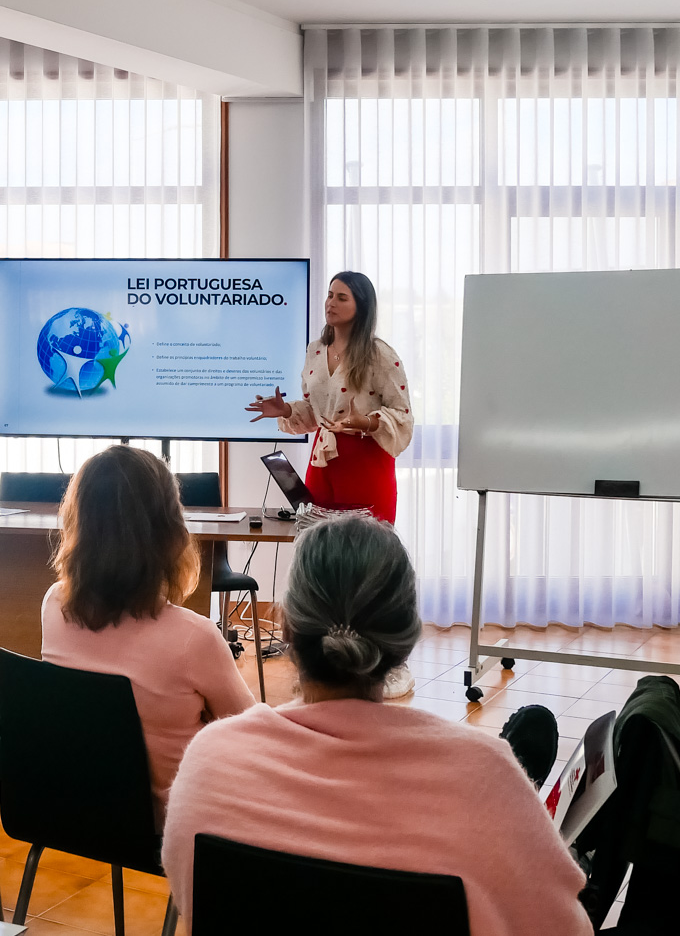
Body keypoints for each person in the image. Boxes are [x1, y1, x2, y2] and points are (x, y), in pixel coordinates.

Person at [162, 515, 588, 936]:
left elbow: (189, 901)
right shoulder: (489, 776)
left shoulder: (209, 763)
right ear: (407, 636)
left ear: (287, 625)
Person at [39, 445, 255, 820]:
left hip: (72, 805)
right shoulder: (194, 638)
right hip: (169, 822)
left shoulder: (54, 605)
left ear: (78, 524)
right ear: (169, 532)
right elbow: (252, 735)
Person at [246, 271, 412, 521]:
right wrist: (286, 410)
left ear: (361, 306)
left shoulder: (380, 354)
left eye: (342, 298)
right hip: (322, 462)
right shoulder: (315, 350)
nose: (331, 303)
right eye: (330, 295)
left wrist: (365, 422)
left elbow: (402, 416)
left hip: (365, 462)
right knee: (317, 537)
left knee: (364, 542)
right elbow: (316, 412)